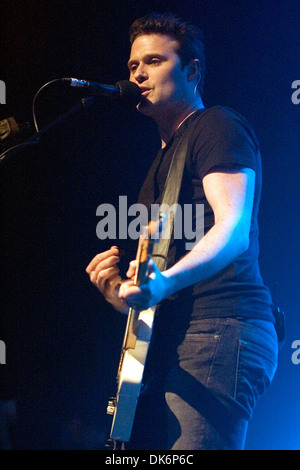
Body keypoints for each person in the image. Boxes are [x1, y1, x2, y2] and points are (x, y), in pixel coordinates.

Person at [86, 12, 278, 450]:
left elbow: (234, 230)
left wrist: (166, 281)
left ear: (192, 70)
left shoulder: (216, 125)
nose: (138, 74)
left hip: (222, 325)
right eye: (133, 66)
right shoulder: (159, 166)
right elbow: (157, 288)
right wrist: (119, 293)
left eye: (153, 61)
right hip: (177, 334)